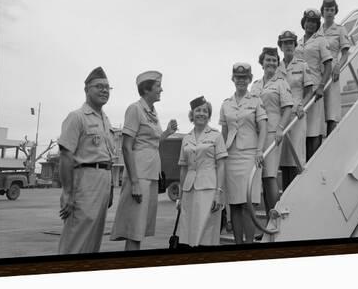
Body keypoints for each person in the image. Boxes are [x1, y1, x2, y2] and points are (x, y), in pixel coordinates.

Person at [110, 71, 178, 250]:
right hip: (139, 176)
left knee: (139, 230)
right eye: (158, 86)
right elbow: (126, 146)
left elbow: (153, 142)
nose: (161, 89)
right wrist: (134, 182)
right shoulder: (135, 109)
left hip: (150, 175)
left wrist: (168, 133)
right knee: (134, 230)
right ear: (147, 89)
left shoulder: (152, 112)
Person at [57, 66, 115, 254]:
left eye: (107, 87)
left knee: (93, 241)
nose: (104, 90)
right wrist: (67, 192)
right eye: (99, 86)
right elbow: (66, 156)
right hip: (85, 183)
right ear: (86, 90)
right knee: (76, 239)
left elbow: (108, 159)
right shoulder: (77, 117)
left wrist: (111, 188)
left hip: (103, 183)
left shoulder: (105, 120)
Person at [219, 63, 268, 244]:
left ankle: (249, 244)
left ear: (249, 79)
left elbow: (263, 127)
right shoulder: (226, 104)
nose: (241, 80)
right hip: (231, 156)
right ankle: (238, 244)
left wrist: (260, 150)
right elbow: (224, 132)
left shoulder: (255, 100)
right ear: (233, 79)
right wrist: (221, 155)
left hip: (250, 156)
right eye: (238, 77)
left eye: (244, 77)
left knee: (249, 204)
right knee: (235, 205)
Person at [177, 96, 227, 247]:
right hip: (189, 190)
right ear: (192, 114)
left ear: (209, 115)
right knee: (188, 232)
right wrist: (180, 197)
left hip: (209, 189)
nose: (202, 113)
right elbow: (183, 168)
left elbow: (222, 165)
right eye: (198, 110)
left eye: (205, 111)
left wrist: (219, 193)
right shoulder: (186, 138)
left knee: (206, 233)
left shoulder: (216, 136)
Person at [250, 47, 293, 213]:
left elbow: (288, 108)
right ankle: (269, 223)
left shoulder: (281, 82)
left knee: (270, 176)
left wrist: (281, 128)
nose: (271, 63)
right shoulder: (255, 85)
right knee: (260, 179)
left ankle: (276, 220)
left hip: (271, 134)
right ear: (262, 62)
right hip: (254, 135)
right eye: (268, 59)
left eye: (274, 60)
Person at [276, 31, 314, 190]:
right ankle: (285, 192)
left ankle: (298, 190)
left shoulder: (302, 65)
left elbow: (309, 90)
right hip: (281, 115)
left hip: (297, 114)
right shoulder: (277, 67)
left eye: (290, 42)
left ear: (294, 45)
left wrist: (302, 106)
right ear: (281, 46)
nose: (288, 46)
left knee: (297, 154)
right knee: (283, 156)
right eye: (285, 43)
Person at [295, 9, 333, 161]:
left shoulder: (321, 40)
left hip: (314, 88)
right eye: (308, 21)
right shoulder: (298, 43)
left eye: (313, 22)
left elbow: (328, 65)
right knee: (300, 126)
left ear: (317, 24)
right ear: (303, 22)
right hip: (299, 89)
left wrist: (321, 86)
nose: (310, 24)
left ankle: (314, 160)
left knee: (314, 127)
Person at [317, 0, 351, 136]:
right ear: (322, 12)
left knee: (331, 111)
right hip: (316, 72)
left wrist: (338, 67)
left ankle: (330, 140)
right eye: (327, 9)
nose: (329, 12)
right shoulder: (317, 31)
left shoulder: (340, 30)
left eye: (332, 10)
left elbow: (345, 54)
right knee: (318, 110)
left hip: (331, 72)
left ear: (335, 11)